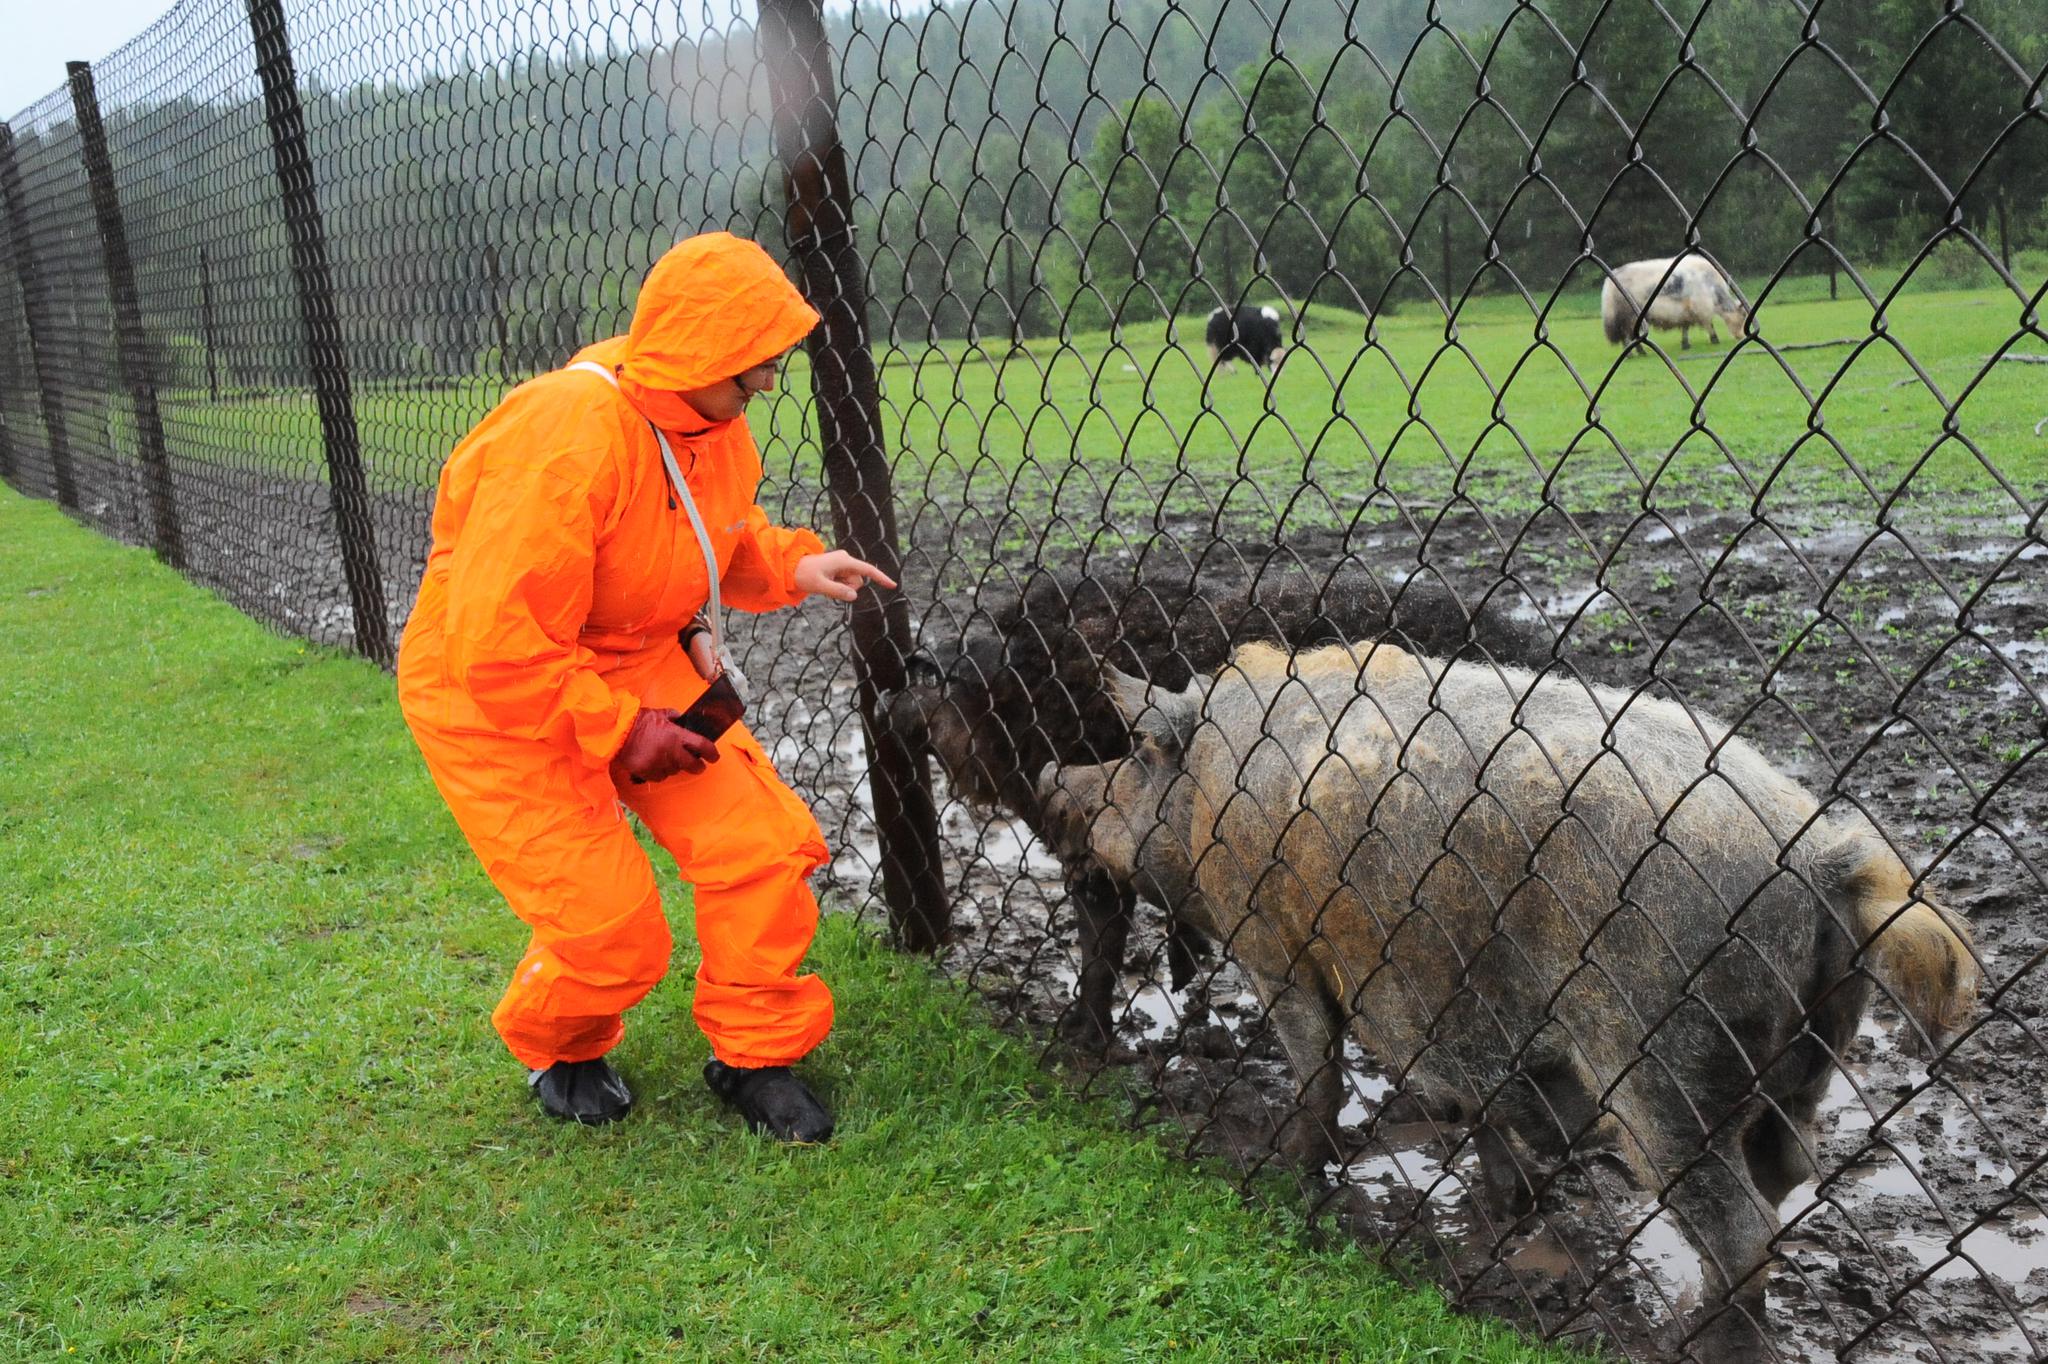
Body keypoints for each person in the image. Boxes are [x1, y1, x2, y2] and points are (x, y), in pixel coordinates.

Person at [396, 232, 895, 1141]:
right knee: (611, 932)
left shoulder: (711, 427)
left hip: (629, 656)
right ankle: (563, 1040)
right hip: (490, 689)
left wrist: (796, 562)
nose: (766, 387)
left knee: (761, 846)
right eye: (750, 371)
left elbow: (711, 540)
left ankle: (755, 1053)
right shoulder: (562, 439)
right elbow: (498, 642)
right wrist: (623, 730)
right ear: (694, 355)